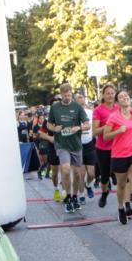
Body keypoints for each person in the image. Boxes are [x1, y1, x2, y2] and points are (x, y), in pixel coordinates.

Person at [104, 89, 132, 226]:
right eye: (121, 97)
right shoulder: (113, 117)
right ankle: (120, 207)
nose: (124, 98)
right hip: (119, 154)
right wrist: (118, 131)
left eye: (126, 96)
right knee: (122, 185)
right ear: (117, 102)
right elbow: (106, 136)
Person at [47, 82, 88, 214]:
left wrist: (79, 127)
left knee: (77, 173)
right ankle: (68, 197)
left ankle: (75, 197)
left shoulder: (77, 107)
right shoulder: (55, 108)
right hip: (61, 144)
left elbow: (87, 125)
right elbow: (49, 124)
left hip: (75, 144)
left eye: (69, 95)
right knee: (65, 169)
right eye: (65, 96)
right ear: (61, 95)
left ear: (71, 93)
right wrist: (54, 128)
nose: (67, 97)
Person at [91, 83, 118, 208]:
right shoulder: (98, 110)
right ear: (103, 95)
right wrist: (108, 125)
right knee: (104, 176)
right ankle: (104, 193)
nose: (110, 95)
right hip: (103, 147)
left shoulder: (118, 108)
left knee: (124, 173)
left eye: (112, 93)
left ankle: (127, 199)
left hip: (118, 146)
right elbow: (95, 131)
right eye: (107, 93)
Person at [75, 91, 97, 203]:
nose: (80, 99)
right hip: (78, 145)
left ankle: (88, 185)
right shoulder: (73, 113)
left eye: (81, 97)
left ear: (84, 99)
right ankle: (82, 195)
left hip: (90, 144)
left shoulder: (90, 112)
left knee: (91, 174)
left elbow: (95, 126)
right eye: (77, 98)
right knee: (81, 173)